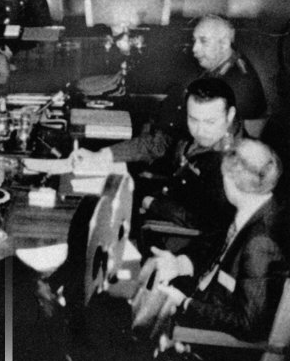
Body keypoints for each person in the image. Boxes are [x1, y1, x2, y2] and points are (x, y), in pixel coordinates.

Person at [149, 139, 287, 345]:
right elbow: (213, 249)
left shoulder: (260, 244)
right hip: (204, 295)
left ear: (231, 180)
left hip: (213, 340)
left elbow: (248, 324)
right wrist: (182, 264)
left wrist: (185, 303)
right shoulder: (253, 206)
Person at [73, 78, 243, 240]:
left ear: (230, 115)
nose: (199, 130)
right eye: (193, 119)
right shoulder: (205, 127)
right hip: (166, 195)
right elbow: (156, 144)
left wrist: (149, 202)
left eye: (210, 122)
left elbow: (207, 222)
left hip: (178, 233)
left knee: (92, 219)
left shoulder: (236, 163)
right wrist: (102, 155)